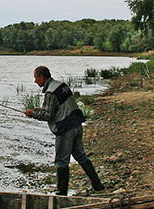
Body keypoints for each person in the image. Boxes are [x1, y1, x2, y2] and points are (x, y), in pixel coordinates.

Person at [24, 65, 105, 196]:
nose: (35, 81)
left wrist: (33, 114)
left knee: (61, 160)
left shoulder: (50, 92)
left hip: (65, 128)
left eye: (36, 78)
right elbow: (58, 107)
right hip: (77, 124)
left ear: (42, 77)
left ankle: (61, 192)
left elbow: (49, 115)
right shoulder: (61, 85)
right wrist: (37, 110)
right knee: (81, 156)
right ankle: (98, 185)